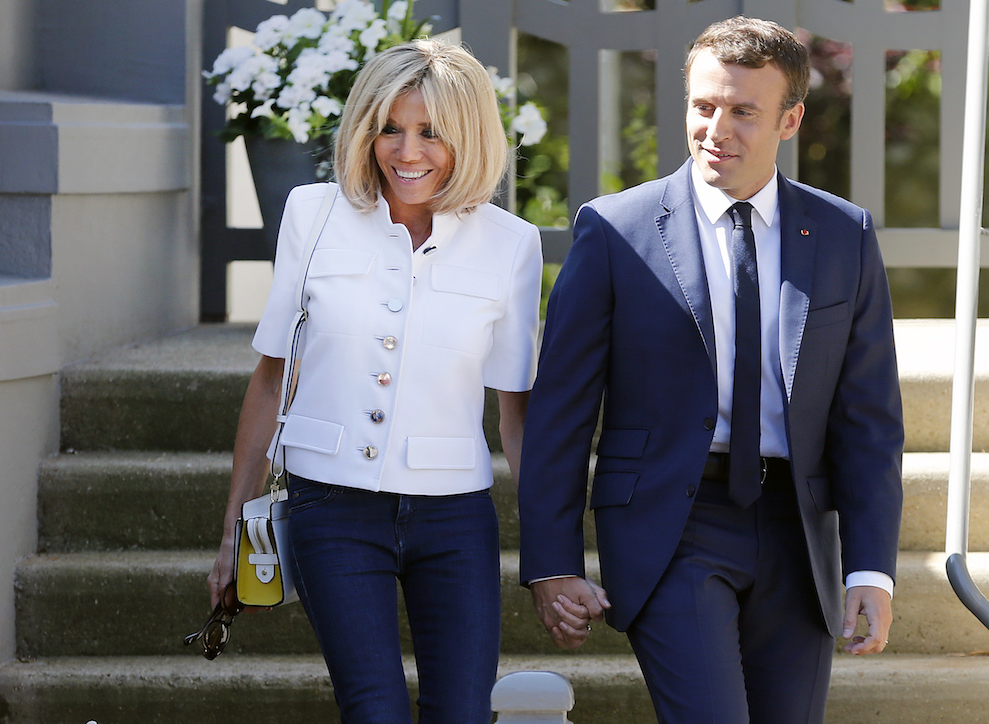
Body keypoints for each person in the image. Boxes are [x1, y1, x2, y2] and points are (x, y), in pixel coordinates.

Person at [518, 16, 903, 724]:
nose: (715, 128)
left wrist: (871, 569)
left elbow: (869, 418)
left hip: (797, 527)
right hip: (674, 523)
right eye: (703, 106)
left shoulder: (845, 235)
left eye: (742, 111)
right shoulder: (614, 231)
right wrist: (552, 561)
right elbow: (561, 412)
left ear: (791, 120)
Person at [207, 39, 543, 723]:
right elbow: (271, 379)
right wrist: (233, 533)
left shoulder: (512, 244)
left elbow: (517, 417)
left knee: (462, 713)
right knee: (374, 709)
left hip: (454, 516)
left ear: (469, 137)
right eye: (390, 127)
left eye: (431, 132)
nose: (406, 151)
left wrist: (550, 554)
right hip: (331, 507)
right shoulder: (312, 213)